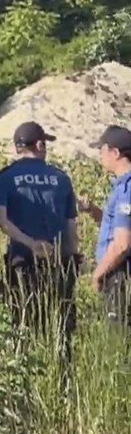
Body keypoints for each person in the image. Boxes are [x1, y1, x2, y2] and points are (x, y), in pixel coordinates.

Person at [0, 122, 80, 367]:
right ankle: (62, 384)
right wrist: (71, 261)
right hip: (58, 265)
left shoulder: (4, 178)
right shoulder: (61, 178)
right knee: (61, 330)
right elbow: (71, 228)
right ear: (39, 145)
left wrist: (30, 244)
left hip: (22, 263)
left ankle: (22, 382)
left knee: (21, 328)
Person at [80, 125, 131, 327]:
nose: (100, 155)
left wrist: (98, 274)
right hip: (120, 271)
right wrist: (94, 211)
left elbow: (122, 244)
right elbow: (120, 227)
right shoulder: (121, 186)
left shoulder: (126, 189)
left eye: (102, 150)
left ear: (115, 153)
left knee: (118, 337)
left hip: (120, 274)